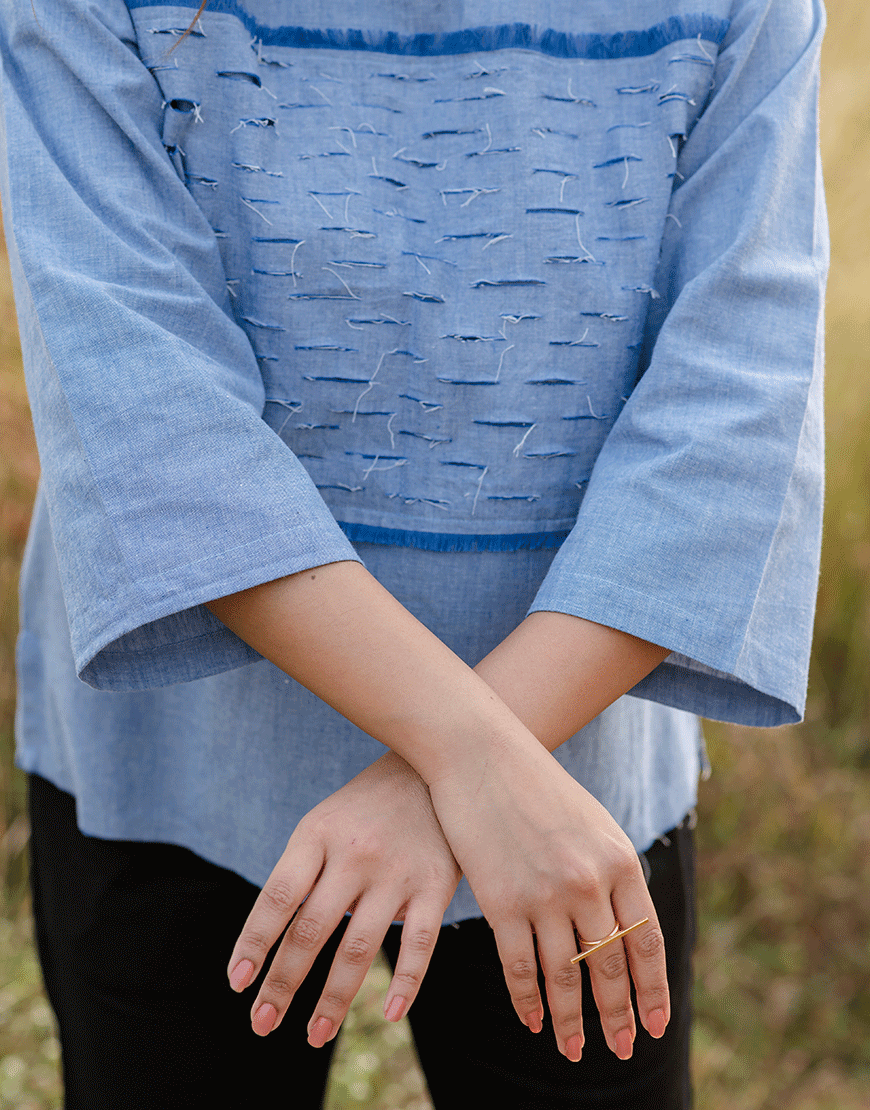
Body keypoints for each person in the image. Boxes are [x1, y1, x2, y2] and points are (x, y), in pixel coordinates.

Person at [0, 0, 827, 1106]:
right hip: (187, 768)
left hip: (565, 793)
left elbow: (736, 399)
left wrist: (468, 765)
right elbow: (145, 411)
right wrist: (477, 759)